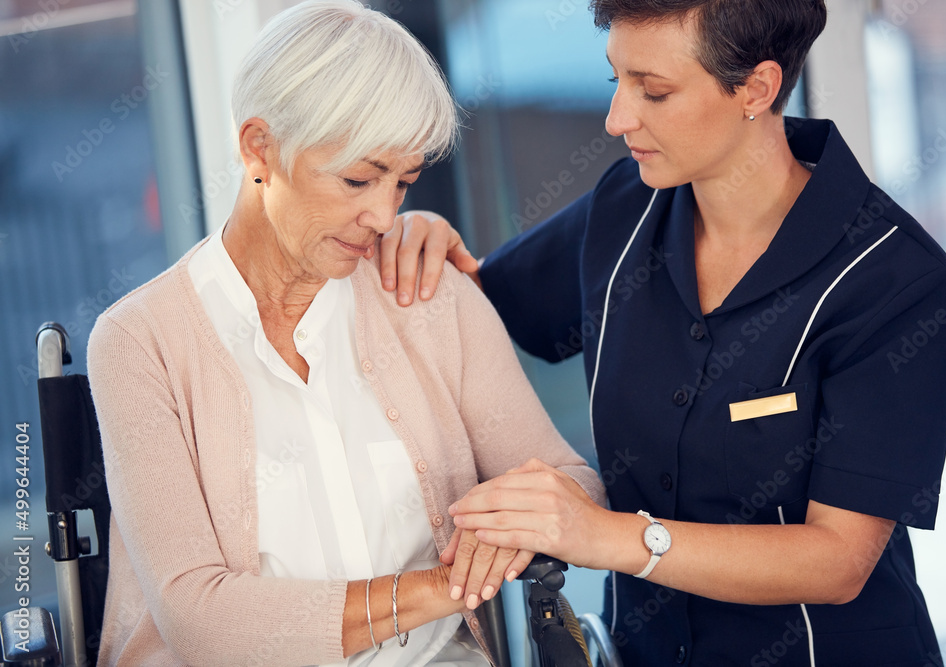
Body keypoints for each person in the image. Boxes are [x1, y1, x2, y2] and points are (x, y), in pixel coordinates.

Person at [379, 0, 946, 665]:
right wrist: (420, 238)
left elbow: (838, 560)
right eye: (616, 81)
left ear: (757, 88)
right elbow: (479, 303)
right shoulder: (623, 207)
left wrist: (603, 535)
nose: (617, 118)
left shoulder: (896, 282)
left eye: (654, 91)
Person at [85, 2, 604, 665]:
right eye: (359, 178)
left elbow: (571, 484)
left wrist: (516, 522)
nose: (386, 215)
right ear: (258, 148)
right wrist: (449, 584)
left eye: (404, 182)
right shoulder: (139, 342)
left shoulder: (425, 292)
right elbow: (200, 618)